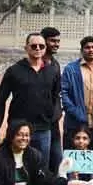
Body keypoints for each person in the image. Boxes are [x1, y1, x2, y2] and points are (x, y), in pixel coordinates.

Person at [0, 33, 61, 162]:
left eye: (41, 46)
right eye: (33, 46)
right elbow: (0, 101)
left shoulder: (52, 71)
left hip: (43, 131)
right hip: (18, 130)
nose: (37, 48)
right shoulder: (14, 71)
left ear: (45, 48)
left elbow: (55, 98)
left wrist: (51, 119)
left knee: (41, 168)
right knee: (15, 166)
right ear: (26, 48)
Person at [62, 36, 93, 152]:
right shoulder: (71, 69)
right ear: (82, 50)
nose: (91, 50)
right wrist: (76, 113)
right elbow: (64, 93)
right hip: (74, 122)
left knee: (91, 156)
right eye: (87, 47)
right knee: (71, 156)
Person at [0, 120, 52, 185]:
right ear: (11, 136)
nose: (24, 138)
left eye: (27, 135)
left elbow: (45, 178)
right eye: (19, 135)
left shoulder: (34, 155)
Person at [40, 26, 65, 173]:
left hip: (53, 122)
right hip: (39, 123)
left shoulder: (55, 64)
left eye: (58, 41)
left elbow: (56, 92)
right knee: (42, 163)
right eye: (52, 41)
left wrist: (58, 112)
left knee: (57, 162)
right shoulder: (36, 64)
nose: (56, 44)